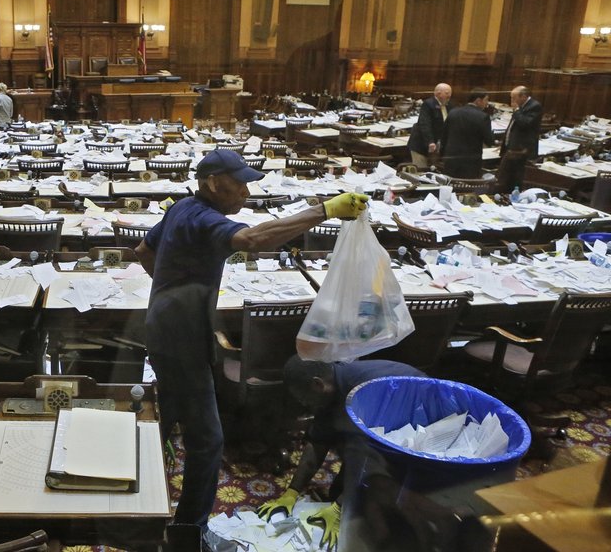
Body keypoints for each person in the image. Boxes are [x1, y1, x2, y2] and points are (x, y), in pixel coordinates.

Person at [135, 149, 369, 533]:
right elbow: (251, 239)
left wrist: (171, 289)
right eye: (239, 182)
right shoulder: (205, 218)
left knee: (171, 409)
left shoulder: (180, 208)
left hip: (164, 328)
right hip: (181, 340)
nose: (246, 191)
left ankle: (147, 484)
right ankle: (188, 531)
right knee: (208, 442)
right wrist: (323, 210)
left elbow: (145, 252)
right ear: (213, 183)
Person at [257, 356, 427, 551]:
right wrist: (292, 491)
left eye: (304, 399)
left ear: (317, 384)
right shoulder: (328, 391)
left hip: (417, 426)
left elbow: (371, 457)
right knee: (340, 492)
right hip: (377, 429)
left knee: (366, 510)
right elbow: (317, 443)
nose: (305, 405)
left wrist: (339, 507)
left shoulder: (367, 392)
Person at [439, 88, 493, 178]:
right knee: (467, 188)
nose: (487, 104)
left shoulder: (453, 112)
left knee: (450, 185)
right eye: (486, 100)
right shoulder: (483, 117)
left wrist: (443, 155)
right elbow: (489, 141)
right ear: (478, 101)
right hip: (470, 161)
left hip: (451, 158)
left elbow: (444, 136)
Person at [497, 86, 543, 193]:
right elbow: (513, 127)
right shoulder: (522, 106)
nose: (511, 101)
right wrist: (505, 143)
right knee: (508, 178)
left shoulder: (534, 106)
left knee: (517, 179)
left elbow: (525, 123)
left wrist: (516, 110)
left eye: (514, 98)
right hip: (512, 149)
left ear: (523, 96)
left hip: (522, 151)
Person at [407, 83, 452, 170]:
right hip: (420, 145)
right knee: (420, 170)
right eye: (446, 93)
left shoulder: (449, 105)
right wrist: (430, 141)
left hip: (436, 147)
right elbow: (425, 124)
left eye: (450, 93)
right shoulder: (428, 104)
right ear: (438, 94)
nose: (449, 95)